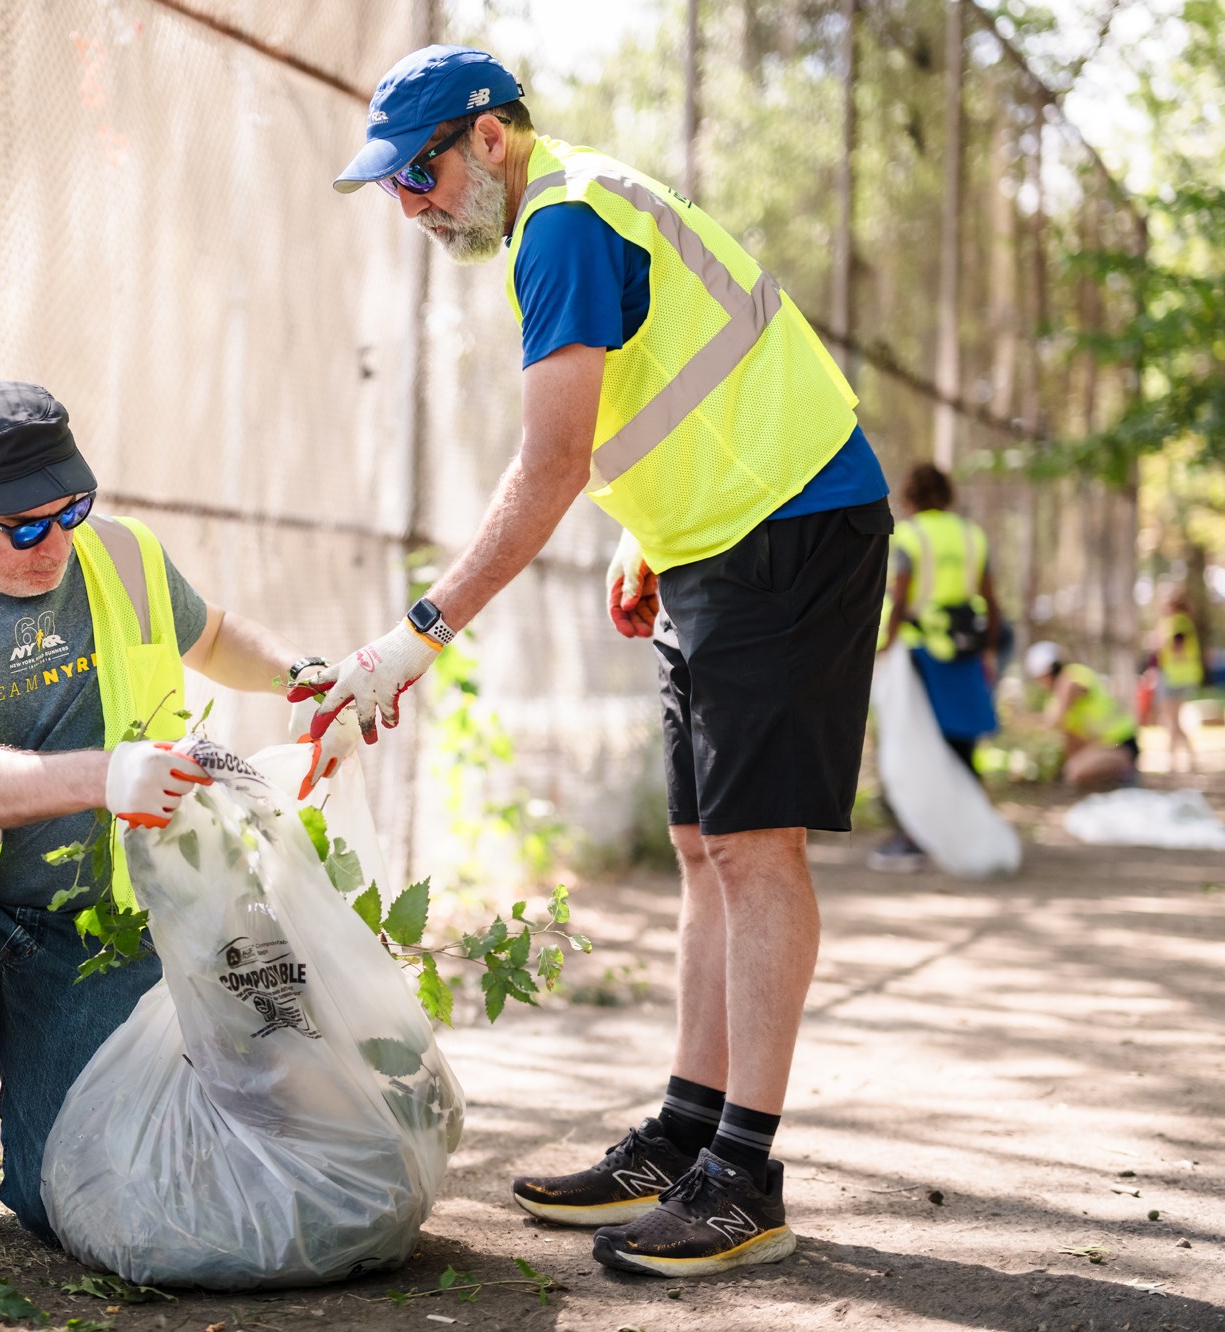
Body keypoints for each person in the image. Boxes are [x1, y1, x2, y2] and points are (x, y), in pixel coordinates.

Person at [317, 46, 891, 1277]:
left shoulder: (562, 223)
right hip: (719, 541)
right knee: (700, 847)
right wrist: (646, 536)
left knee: (751, 846)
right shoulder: (569, 207)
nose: (409, 205)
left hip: (787, 526)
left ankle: (743, 1177)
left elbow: (549, 460)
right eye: (392, 189)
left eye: (417, 173)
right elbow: (674, 378)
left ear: (488, 137)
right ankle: (686, 1133)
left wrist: (415, 635)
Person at [0, 380, 356, 1243]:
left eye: (71, 509)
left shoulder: (125, 556)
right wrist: (104, 777)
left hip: (103, 925)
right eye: (22, 525)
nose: (53, 540)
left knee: (68, 1200)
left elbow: (211, 637)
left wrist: (303, 674)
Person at [868, 462, 1002, 872]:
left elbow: (902, 597)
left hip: (921, 651)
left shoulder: (909, 534)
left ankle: (915, 837)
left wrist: (886, 647)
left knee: (914, 745)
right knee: (962, 743)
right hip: (963, 651)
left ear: (909, 498)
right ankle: (965, 833)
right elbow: (992, 601)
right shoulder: (970, 535)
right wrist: (989, 650)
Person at [1023, 640, 1138, 791]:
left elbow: (1054, 719)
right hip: (1103, 745)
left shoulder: (1072, 677)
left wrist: (1027, 724)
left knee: (1074, 772)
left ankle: (1124, 770)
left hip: (1119, 744)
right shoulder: (1057, 693)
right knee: (1071, 760)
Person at [1150, 588, 1206, 774]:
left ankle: (1175, 760)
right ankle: (1183, 757)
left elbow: (1176, 647)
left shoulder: (1177, 622)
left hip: (1175, 677)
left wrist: (1158, 642)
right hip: (1177, 676)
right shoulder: (1176, 622)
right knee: (1172, 720)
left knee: (1171, 720)